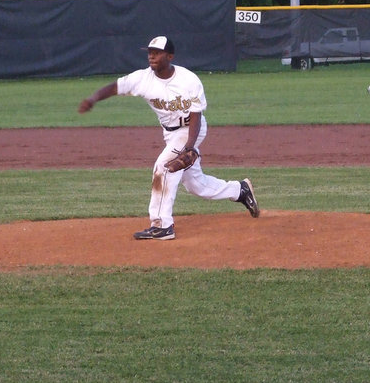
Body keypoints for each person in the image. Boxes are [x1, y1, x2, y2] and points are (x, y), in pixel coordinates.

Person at [77, 36, 258, 241]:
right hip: (170, 133)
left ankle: (162, 225)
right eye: (149, 52)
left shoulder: (188, 80)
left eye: (157, 52)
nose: (151, 56)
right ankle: (239, 190)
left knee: (163, 167)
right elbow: (114, 87)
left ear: (170, 56)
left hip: (191, 129)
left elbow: (196, 118)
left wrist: (189, 147)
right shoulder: (142, 78)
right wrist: (92, 99)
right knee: (196, 185)